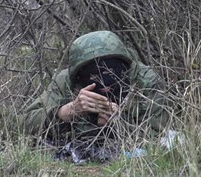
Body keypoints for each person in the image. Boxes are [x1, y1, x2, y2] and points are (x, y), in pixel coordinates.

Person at [22, 30, 170, 144]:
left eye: (111, 72)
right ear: (80, 76)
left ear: (124, 67)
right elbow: (23, 123)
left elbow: (158, 136)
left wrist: (120, 124)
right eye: (94, 76)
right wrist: (64, 113)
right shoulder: (65, 81)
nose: (104, 84)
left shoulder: (145, 81)